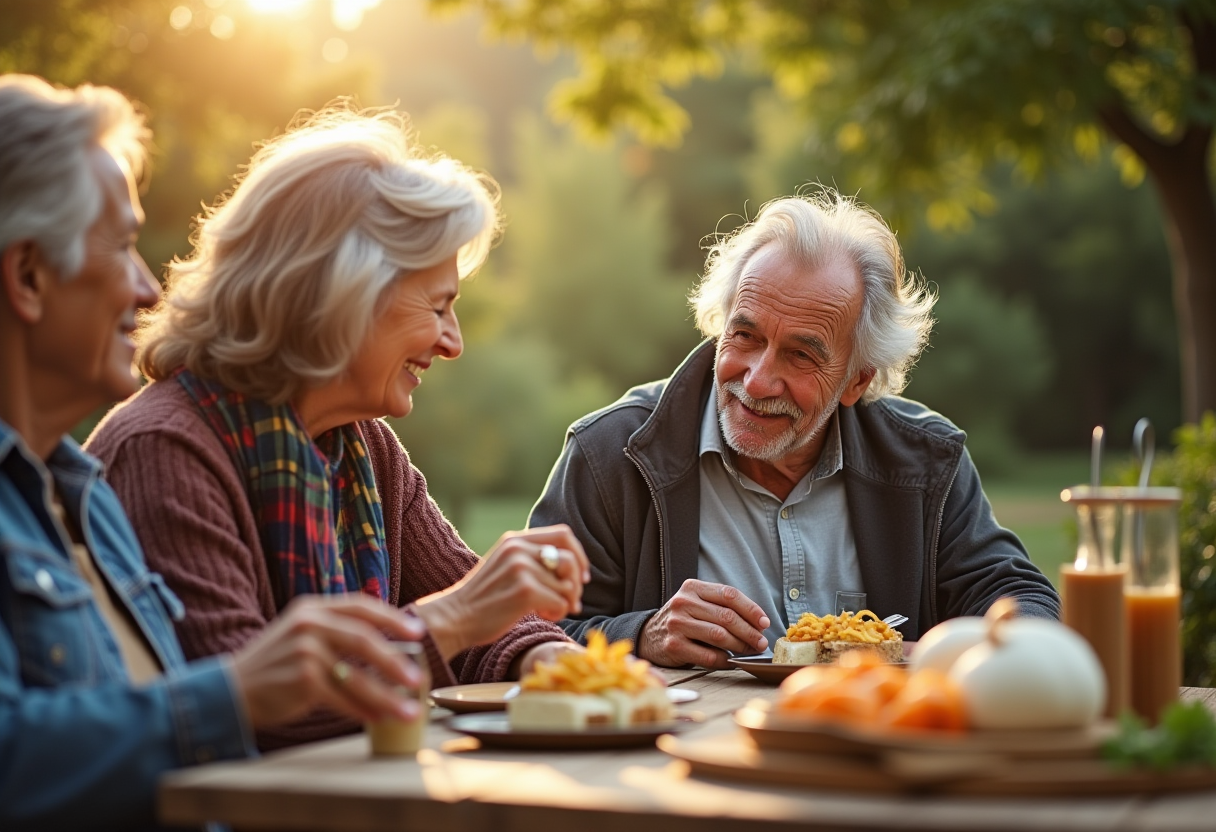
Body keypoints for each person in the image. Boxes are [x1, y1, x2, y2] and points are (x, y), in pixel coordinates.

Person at [0, 74, 436, 830]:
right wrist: (238, 691)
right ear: (29, 277)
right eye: (123, 247)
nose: (147, 288)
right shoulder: (154, 449)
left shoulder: (82, 497)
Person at [86, 103, 590, 749]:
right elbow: (245, 710)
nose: (453, 342)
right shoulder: (165, 450)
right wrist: (456, 618)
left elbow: (477, 614)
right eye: (439, 307)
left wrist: (551, 662)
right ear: (345, 295)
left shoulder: (362, 446)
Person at [529, 191, 1061, 669]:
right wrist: (641, 634)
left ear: (856, 380)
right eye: (745, 336)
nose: (757, 381)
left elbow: (1022, 600)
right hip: (682, 746)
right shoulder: (609, 453)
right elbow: (521, 633)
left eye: (801, 355)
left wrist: (939, 654)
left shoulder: (926, 461)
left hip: (872, 739)